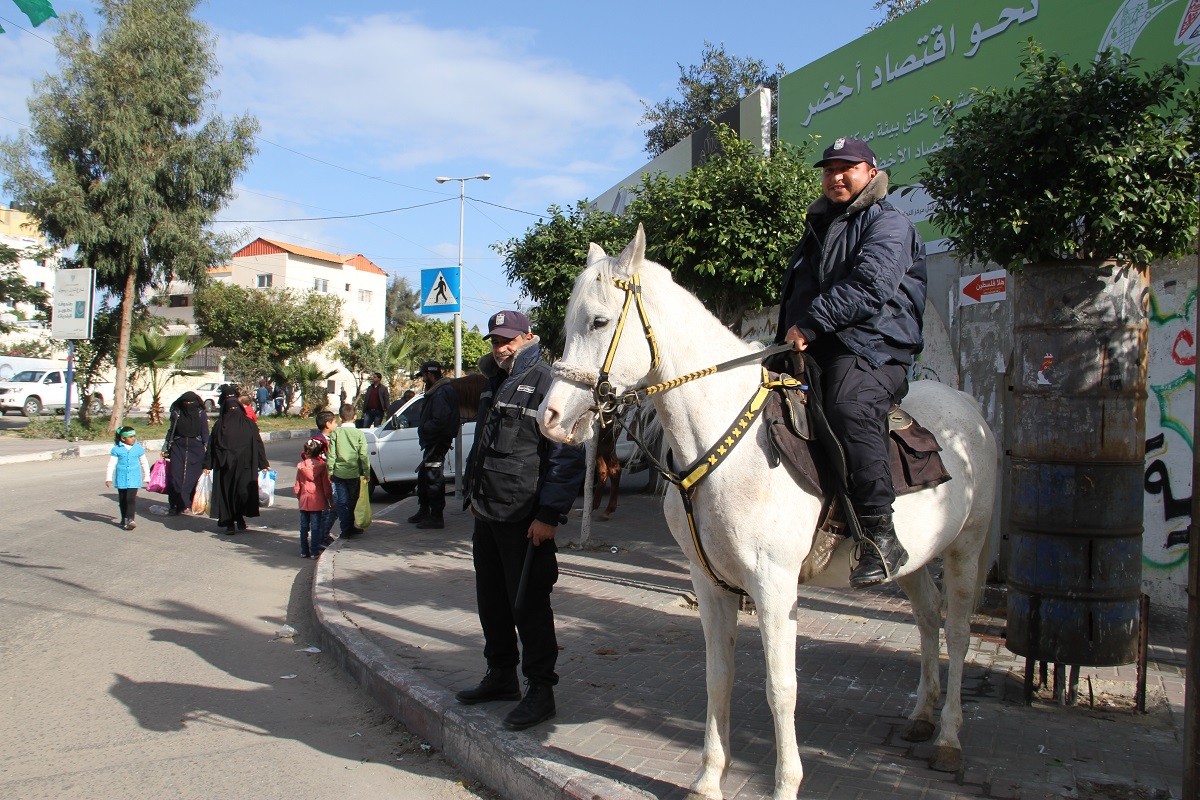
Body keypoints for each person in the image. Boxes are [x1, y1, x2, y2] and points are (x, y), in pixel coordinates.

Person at [774, 137, 927, 589]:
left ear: (871, 171)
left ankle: (880, 534)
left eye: (848, 167)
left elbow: (870, 285)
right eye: (829, 169)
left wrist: (810, 324)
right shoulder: (820, 226)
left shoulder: (890, 224)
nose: (836, 176)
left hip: (873, 346)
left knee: (848, 407)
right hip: (815, 342)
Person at [456, 310, 585, 731]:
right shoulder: (497, 380)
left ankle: (541, 691)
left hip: (525, 519)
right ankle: (501, 676)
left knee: (528, 605)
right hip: (487, 513)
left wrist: (549, 515)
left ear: (529, 336)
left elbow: (566, 455)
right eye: (495, 340)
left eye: (508, 339)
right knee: (491, 602)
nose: (501, 347)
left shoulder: (547, 382)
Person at [202, 396, 271, 534]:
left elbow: (257, 443)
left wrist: (263, 463)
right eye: (230, 409)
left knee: (234, 494)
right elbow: (211, 446)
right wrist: (207, 465)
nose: (233, 411)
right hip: (237, 466)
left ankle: (236, 520)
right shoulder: (246, 424)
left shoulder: (222, 425)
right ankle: (232, 522)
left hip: (229, 466)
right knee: (235, 494)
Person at [407, 361, 459, 529]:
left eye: (423, 376)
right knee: (424, 475)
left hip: (437, 441)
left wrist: (426, 429)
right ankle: (424, 510)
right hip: (433, 441)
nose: (422, 380)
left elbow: (440, 420)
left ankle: (436, 516)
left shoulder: (441, 392)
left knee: (433, 477)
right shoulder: (438, 391)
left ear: (430, 375)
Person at [161, 391, 210, 515]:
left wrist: (208, 451)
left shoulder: (200, 414)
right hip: (178, 446)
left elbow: (205, 432)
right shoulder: (177, 413)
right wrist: (164, 447)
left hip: (196, 447)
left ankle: (188, 502)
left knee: (193, 477)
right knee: (176, 477)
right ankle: (175, 504)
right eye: (186, 403)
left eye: (191, 403)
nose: (188, 405)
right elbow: (171, 430)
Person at [327, 403, 369, 539]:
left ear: (340, 417)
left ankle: (345, 528)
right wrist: (366, 472)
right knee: (352, 500)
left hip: (339, 473)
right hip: (354, 473)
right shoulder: (359, 434)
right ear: (355, 417)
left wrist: (330, 471)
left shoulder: (336, 433)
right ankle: (349, 526)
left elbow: (332, 454)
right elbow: (363, 455)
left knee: (341, 501)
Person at [294, 438, 334, 558]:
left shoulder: (301, 467)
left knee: (303, 527)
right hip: (317, 500)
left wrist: (299, 497)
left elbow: (297, 486)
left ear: (305, 453)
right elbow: (326, 486)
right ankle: (314, 551)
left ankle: (303, 550)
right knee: (316, 527)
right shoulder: (322, 467)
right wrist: (330, 499)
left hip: (304, 499)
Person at [106, 425, 150, 530]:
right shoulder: (117, 449)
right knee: (123, 500)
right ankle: (124, 519)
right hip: (121, 479)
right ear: (123, 438)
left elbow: (144, 463)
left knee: (130, 499)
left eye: (134, 436)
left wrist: (147, 476)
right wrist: (108, 478)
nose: (133, 438)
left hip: (134, 479)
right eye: (131, 437)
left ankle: (131, 519)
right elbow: (111, 464)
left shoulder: (138, 449)